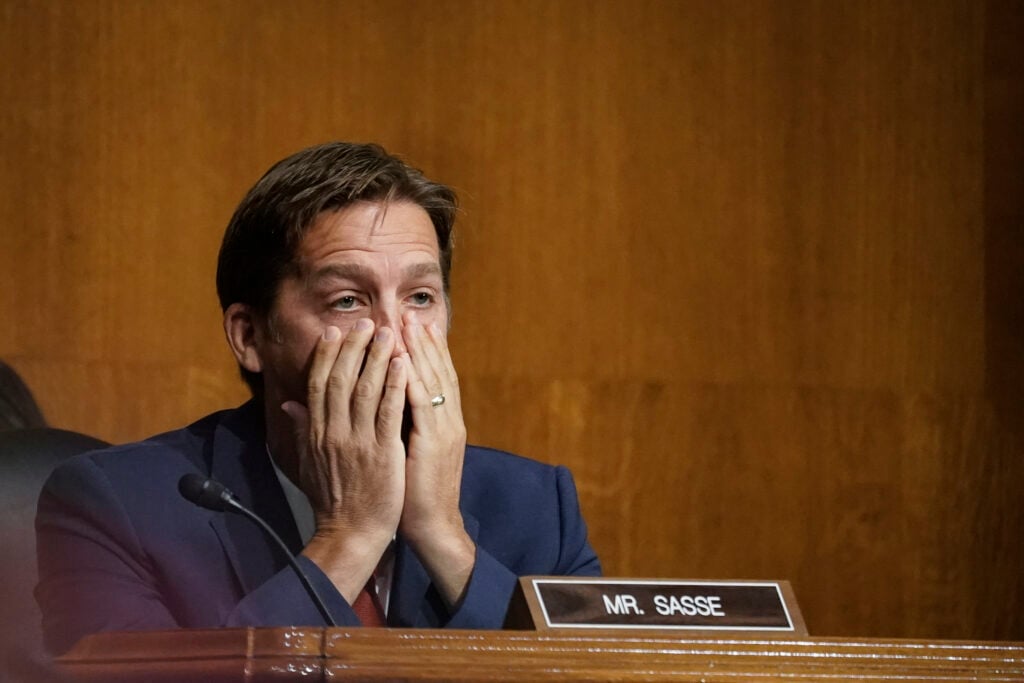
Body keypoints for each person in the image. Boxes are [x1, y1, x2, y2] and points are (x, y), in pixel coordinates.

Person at [35, 142, 601, 655]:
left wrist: (444, 538)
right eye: (348, 301)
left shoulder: (536, 508)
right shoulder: (115, 507)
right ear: (251, 336)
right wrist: (350, 536)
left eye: (421, 296)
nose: (394, 335)